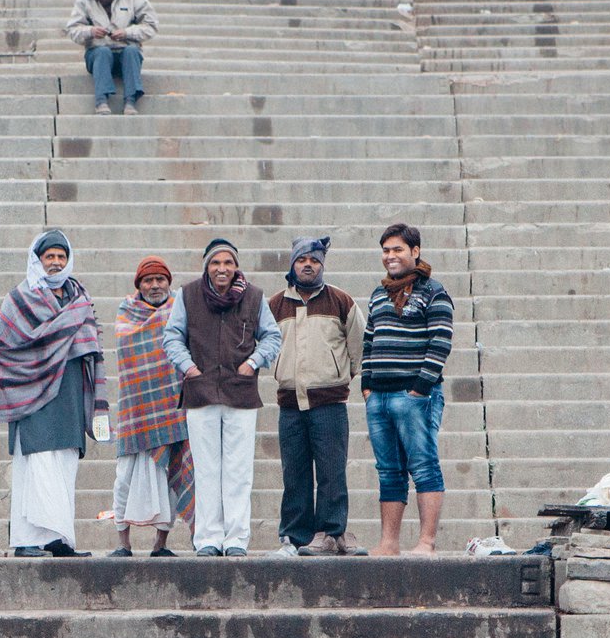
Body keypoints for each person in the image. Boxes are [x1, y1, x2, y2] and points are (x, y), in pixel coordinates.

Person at [0, 229, 104, 557]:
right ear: (37, 260)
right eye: (49, 257)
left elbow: (90, 345)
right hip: (31, 396)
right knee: (37, 465)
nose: (55, 262)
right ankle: (27, 541)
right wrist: (34, 365)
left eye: (61, 256)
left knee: (64, 464)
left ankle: (58, 539)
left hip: (68, 393)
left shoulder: (79, 298)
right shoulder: (20, 298)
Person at [163, 237, 281, 556]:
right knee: (206, 468)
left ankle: (236, 539)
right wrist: (188, 368)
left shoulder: (254, 297)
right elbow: (172, 336)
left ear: (236, 267)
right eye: (216, 263)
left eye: (228, 262)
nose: (222, 268)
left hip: (240, 393)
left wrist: (253, 362)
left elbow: (272, 336)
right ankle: (208, 538)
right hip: (200, 391)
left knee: (238, 470)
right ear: (207, 266)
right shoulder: (187, 295)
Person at [361, 223, 454, 557]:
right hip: (379, 397)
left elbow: (440, 342)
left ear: (415, 252)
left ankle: (426, 542)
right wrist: (366, 386)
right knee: (388, 470)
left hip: (415, 397)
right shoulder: (378, 293)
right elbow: (369, 341)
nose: (390, 256)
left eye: (397, 249)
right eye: (386, 250)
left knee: (424, 466)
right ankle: (389, 542)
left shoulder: (434, 292)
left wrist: (419, 388)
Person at [269, 235, 361, 557]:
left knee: (332, 471)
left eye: (315, 260)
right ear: (292, 264)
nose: (308, 265)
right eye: (302, 260)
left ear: (322, 264)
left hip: (330, 404)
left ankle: (332, 533)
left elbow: (359, 346)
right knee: (294, 473)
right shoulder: (276, 304)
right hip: (290, 404)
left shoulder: (341, 300)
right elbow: (265, 345)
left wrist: (339, 376)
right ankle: (294, 537)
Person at [108, 255, 193, 556]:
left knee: (171, 478)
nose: (155, 285)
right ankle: (123, 543)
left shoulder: (181, 311)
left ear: (169, 282)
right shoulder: (126, 312)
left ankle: (162, 543)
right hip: (136, 409)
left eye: (160, 280)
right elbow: (127, 354)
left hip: (172, 408)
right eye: (148, 280)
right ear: (139, 285)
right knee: (123, 481)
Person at [65, 0, 156, 115]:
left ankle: (130, 101)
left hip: (126, 51)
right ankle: (101, 101)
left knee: (131, 51)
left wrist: (127, 33)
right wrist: (91, 31)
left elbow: (150, 25)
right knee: (102, 52)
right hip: (98, 54)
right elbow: (72, 29)